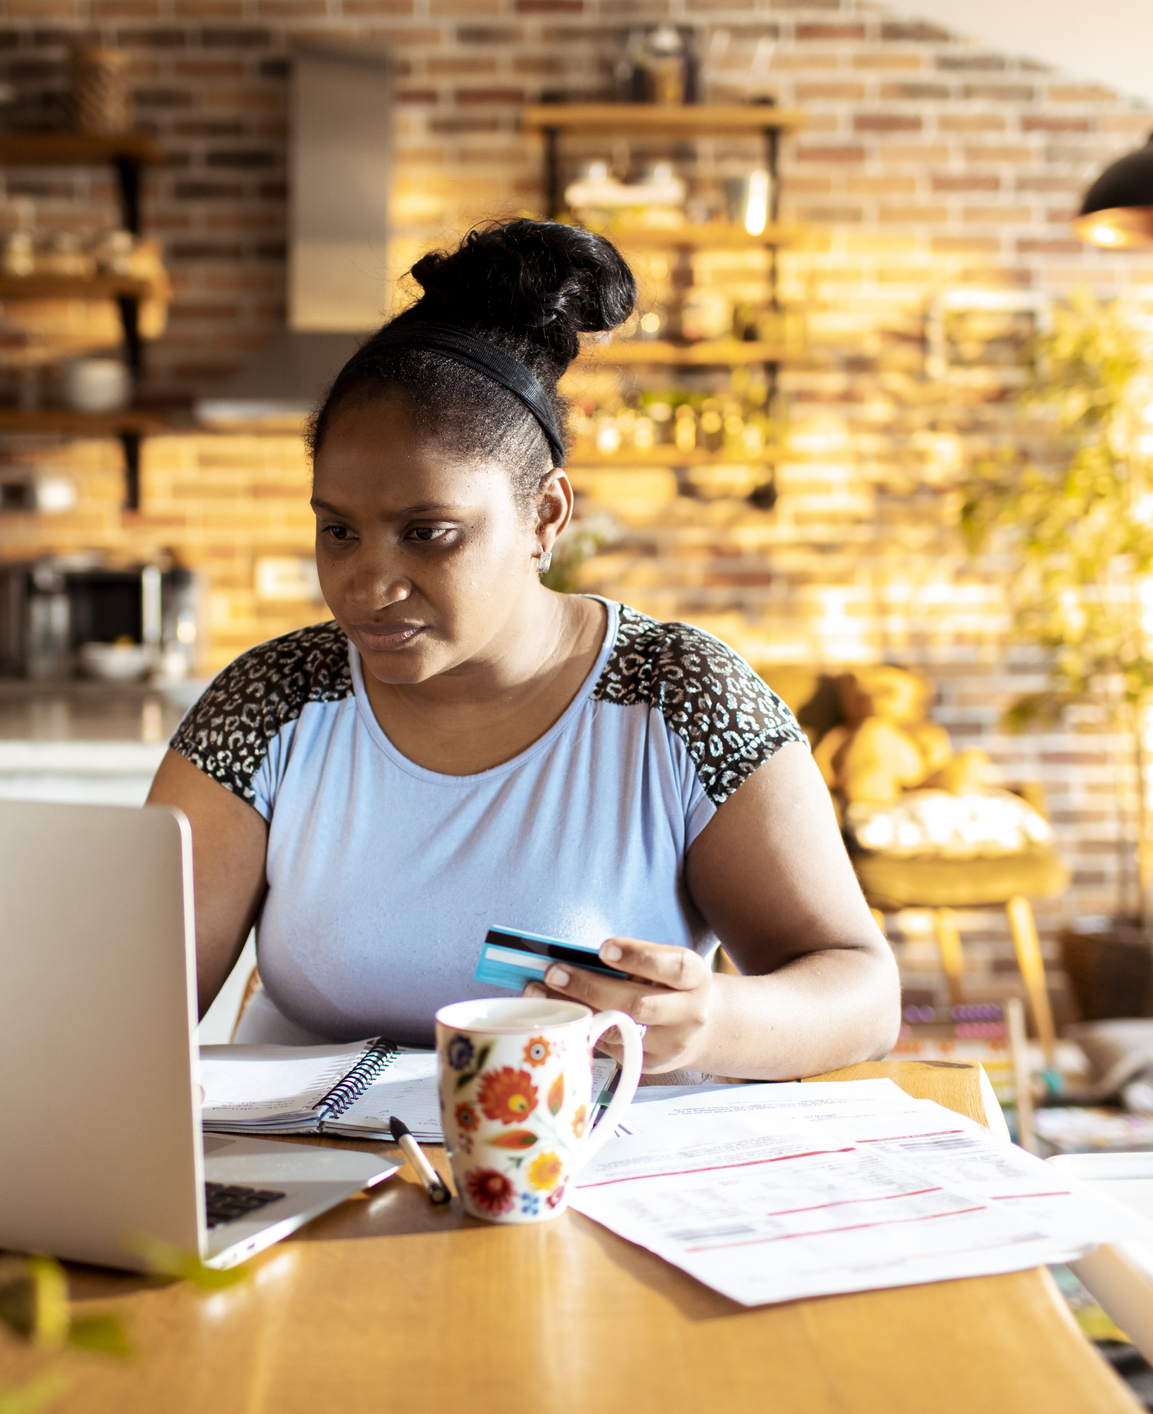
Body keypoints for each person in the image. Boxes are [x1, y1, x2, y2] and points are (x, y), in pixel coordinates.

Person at [148, 220, 899, 1080]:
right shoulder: (275, 700)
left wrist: (712, 1020)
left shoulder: (679, 699)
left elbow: (863, 994)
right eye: (338, 531)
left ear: (545, 516)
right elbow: (128, 1010)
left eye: (428, 534)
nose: (365, 584)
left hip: (576, 1185)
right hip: (305, 1186)